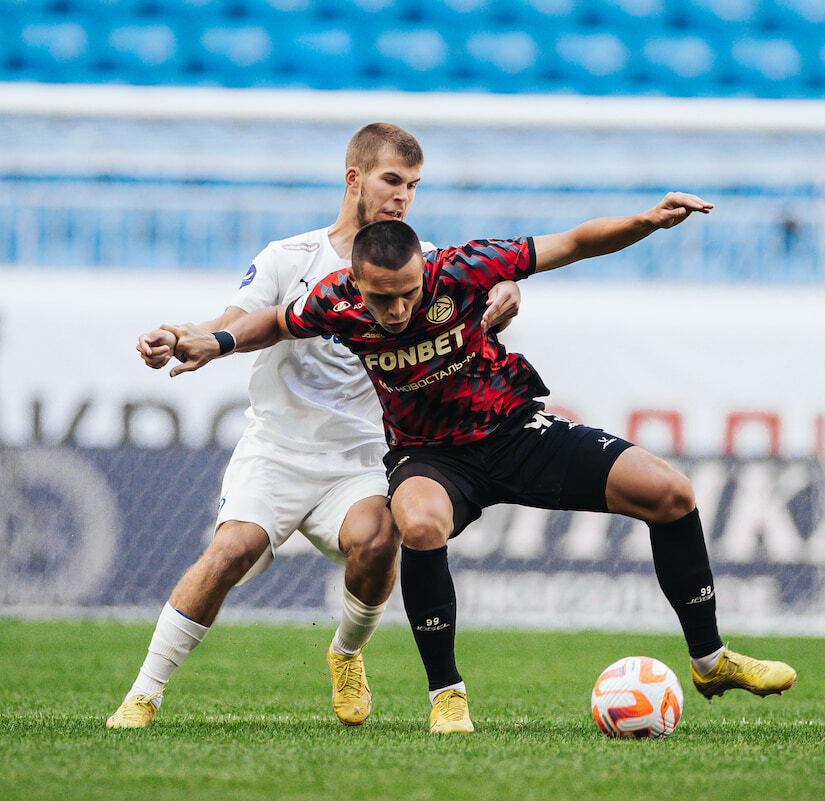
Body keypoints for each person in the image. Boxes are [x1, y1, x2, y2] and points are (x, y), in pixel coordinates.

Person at [159, 202, 798, 734]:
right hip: (430, 455)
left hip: (516, 429)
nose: (400, 310)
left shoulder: (463, 267)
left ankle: (710, 659)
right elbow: (275, 320)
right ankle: (447, 696)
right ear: (356, 284)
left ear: (423, 272)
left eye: (410, 294)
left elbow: (572, 242)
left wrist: (646, 221)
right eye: (384, 300)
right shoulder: (334, 302)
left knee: (670, 492)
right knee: (418, 523)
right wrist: (215, 342)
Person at [108, 123, 522, 729]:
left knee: (380, 538)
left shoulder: (420, 265)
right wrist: (179, 337)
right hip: (276, 451)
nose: (402, 196)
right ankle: (144, 694)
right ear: (354, 178)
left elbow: (480, 278)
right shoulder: (290, 258)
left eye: (412, 185)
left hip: (358, 458)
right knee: (230, 552)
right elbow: (234, 321)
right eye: (390, 180)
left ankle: (346, 653)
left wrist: (508, 291)